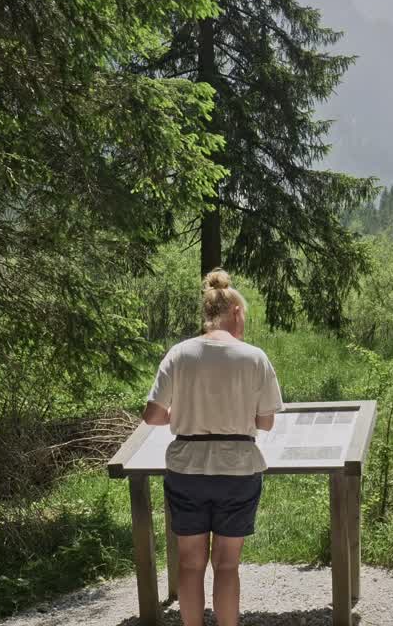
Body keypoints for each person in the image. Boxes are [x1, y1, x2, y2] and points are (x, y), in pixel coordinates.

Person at [142, 268, 283, 626]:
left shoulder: (179, 353)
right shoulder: (255, 357)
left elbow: (152, 415)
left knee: (190, 564)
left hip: (187, 469)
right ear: (235, 312)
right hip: (238, 470)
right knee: (227, 565)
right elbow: (266, 422)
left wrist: (182, 414)